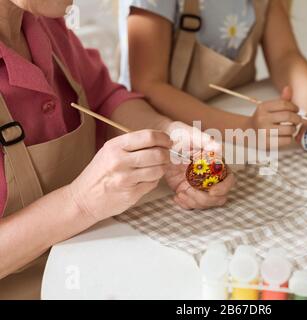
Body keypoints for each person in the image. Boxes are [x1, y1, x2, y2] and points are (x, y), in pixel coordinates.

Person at [0, 0, 235, 299]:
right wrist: (80, 203)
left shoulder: (44, 23)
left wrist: (166, 132)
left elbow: (104, 100)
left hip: (91, 264)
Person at [119, 0, 307, 154]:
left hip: (229, 121)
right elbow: (148, 84)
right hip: (165, 131)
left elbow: (284, 57)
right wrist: (246, 129)